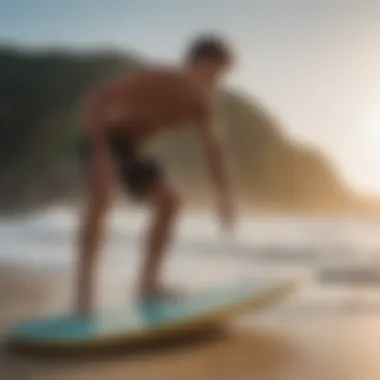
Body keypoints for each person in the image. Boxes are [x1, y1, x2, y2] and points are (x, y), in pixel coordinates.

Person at [76, 33, 236, 316]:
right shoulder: (157, 79)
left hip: (133, 150)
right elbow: (95, 100)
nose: (213, 84)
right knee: (101, 199)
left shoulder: (201, 106)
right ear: (192, 64)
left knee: (169, 203)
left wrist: (225, 197)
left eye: (219, 79)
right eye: (211, 75)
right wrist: (101, 155)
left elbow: (214, 151)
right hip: (103, 138)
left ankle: (147, 285)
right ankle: (84, 292)